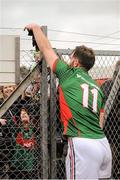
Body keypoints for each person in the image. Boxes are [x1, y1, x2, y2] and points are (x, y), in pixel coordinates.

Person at [25, 23, 112, 179]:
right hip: (102, 143)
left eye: (71, 57)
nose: (69, 60)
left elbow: (46, 50)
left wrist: (36, 29)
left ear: (76, 62)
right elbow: (100, 120)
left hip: (82, 144)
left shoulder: (69, 74)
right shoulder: (97, 87)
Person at [101, 60, 120, 179]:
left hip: (107, 130)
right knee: (111, 161)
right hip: (112, 130)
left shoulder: (106, 84)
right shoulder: (110, 86)